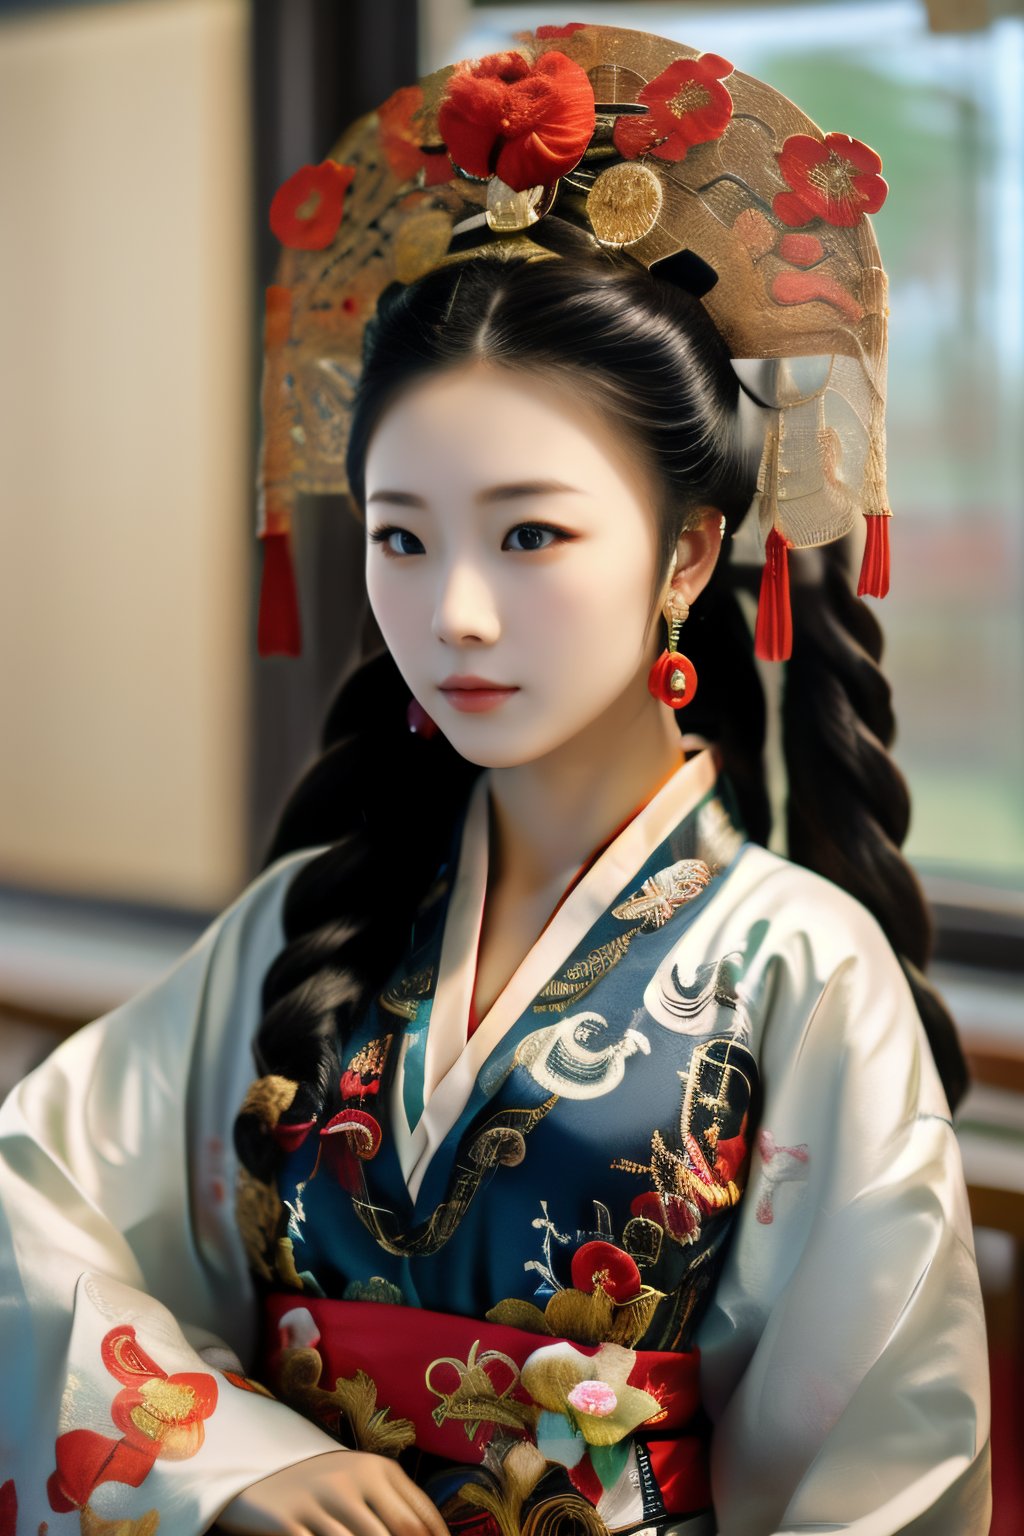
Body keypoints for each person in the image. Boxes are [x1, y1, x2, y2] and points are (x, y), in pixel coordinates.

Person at [0, 22, 991, 1536]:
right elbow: (35, 1209)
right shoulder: (305, 925)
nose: (452, 611)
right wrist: (235, 1461)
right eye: (403, 536)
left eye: (529, 535)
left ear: (684, 554)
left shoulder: (798, 970)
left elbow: (881, 1473)